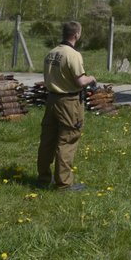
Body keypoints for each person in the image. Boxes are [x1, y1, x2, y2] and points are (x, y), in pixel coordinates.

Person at [36, 21, 96, 191]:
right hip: (68, 103)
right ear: (77, 34)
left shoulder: (51, 53)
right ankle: (64, 184)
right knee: (67, 140)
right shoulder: (73, 55)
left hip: (51, 100)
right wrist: (91, 78)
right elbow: (80, 81)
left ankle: (43, 179)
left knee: (47, 140)